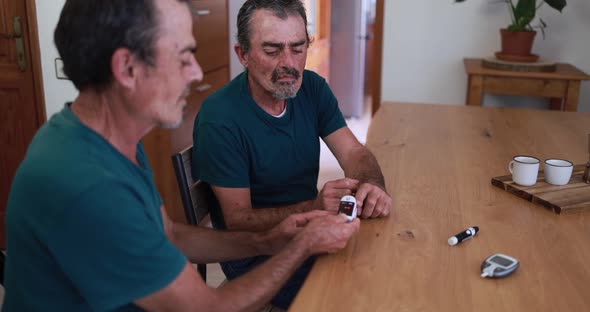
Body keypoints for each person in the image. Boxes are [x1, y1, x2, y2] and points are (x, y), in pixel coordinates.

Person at [2, 0, 359, 311]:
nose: (196, 72)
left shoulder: (111, 137)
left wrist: (267, 240)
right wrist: (300, 247)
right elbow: (208, 307)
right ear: (127, 68)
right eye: (183, 56)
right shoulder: (88, 185)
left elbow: (169, 235)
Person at [192, 0, 392, 308]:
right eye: (272, 51)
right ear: (242, 54)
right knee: (358, 294)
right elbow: (238, 220)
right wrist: (313, 206)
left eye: (298, 48)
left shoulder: (312, 88)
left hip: (310, 231)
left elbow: (354, 152)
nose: (289, 63)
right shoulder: (219, 118)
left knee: (385, 266)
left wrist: (372, 184)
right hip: (255, 255)